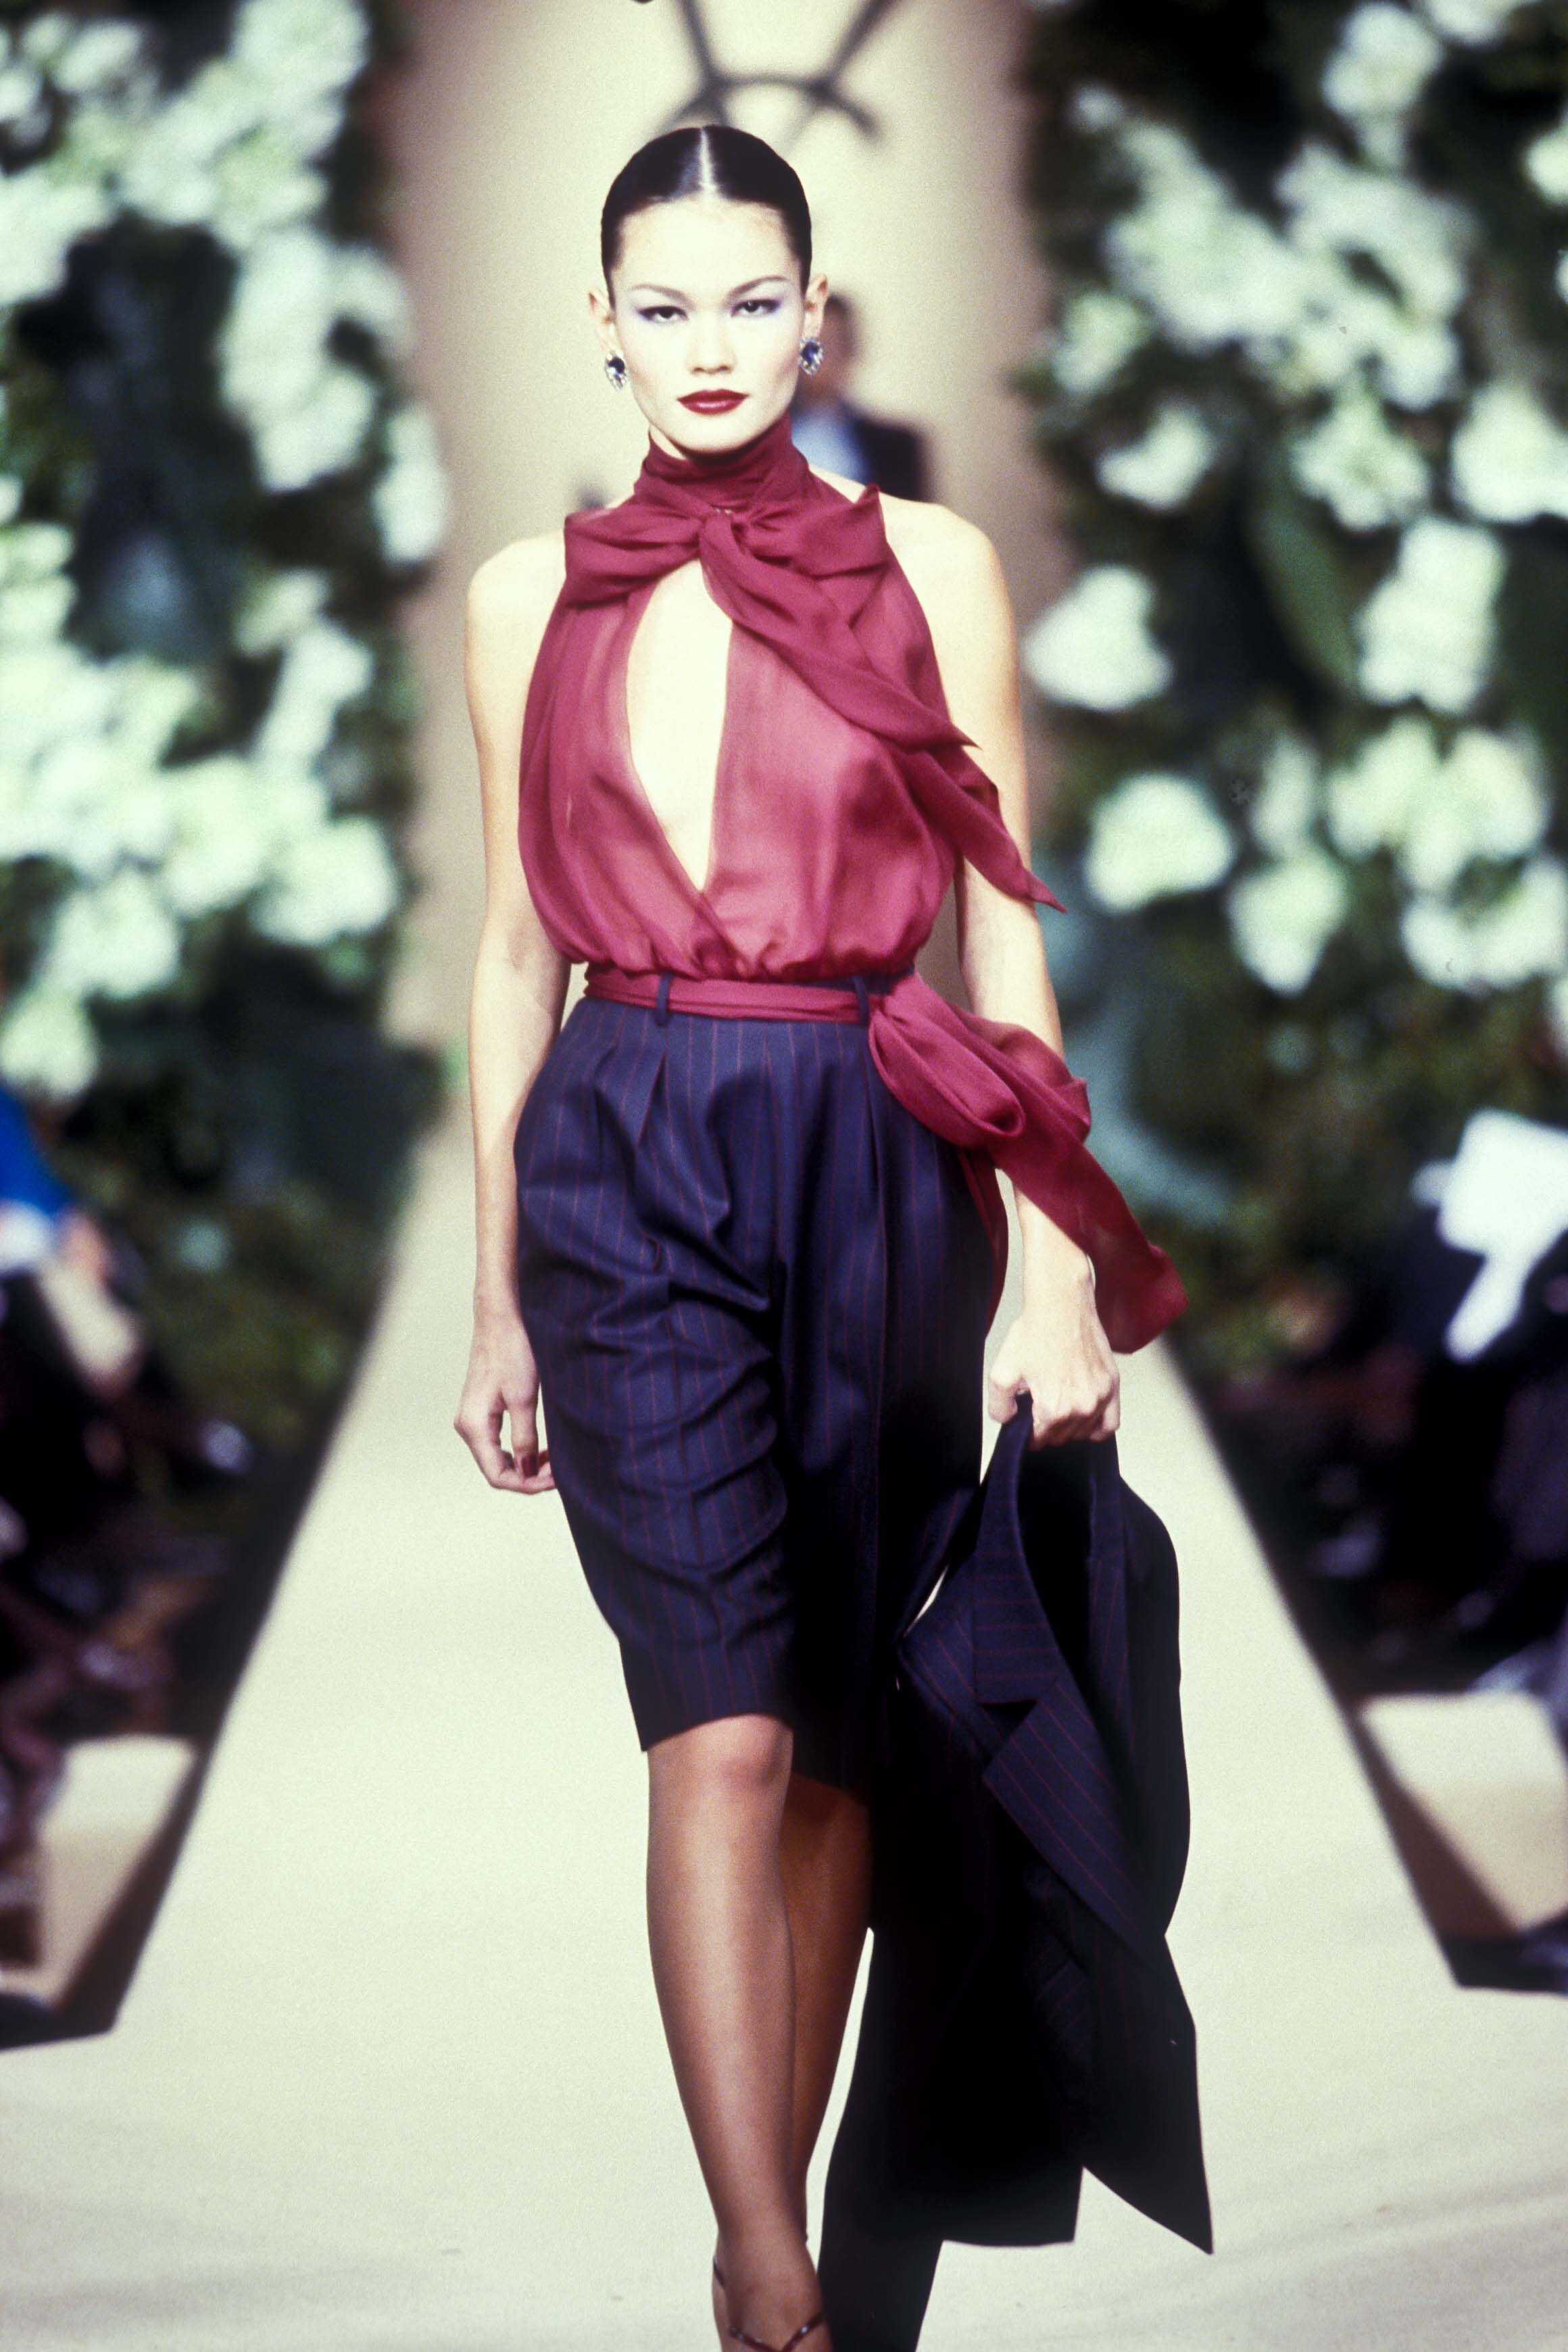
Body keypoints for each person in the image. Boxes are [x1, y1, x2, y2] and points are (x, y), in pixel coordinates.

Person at [455, 124, 1186, 2352]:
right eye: (664, 304)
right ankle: (770, 2273)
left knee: (848, 1733)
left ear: (815, 314)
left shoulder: (933, 567)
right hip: (622, 1151)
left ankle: (775, 2255)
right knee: (721, 1731)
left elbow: (1003, 917)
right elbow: (512, 952)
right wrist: (494, 1295)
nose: (710, 344)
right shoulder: (524, 597)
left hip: (881, 1147)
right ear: (601, 320)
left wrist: (1051, 1264)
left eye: (751, 300)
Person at [789, 291, 931, 501]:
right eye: (811, 345)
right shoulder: (756, 444)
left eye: (832, 344)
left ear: (850, 352)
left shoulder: (897, 449)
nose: (820, 359)